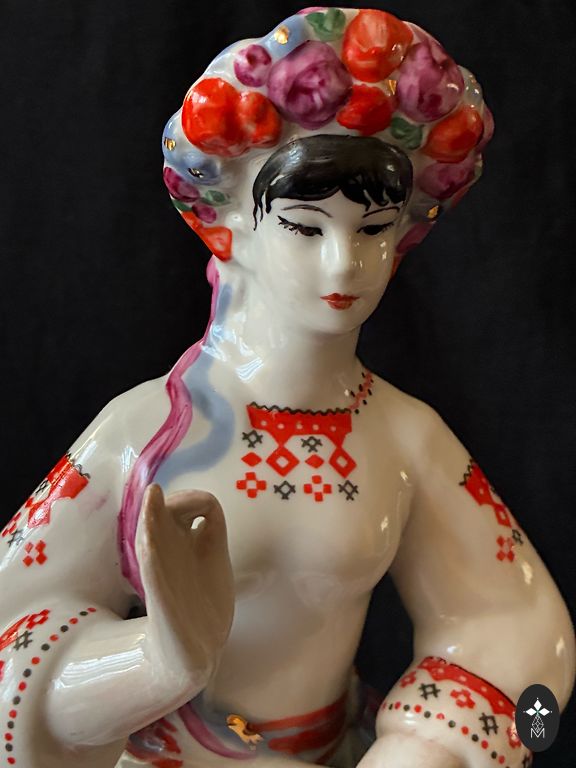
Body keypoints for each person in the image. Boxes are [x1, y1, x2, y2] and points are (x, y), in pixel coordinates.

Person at [0, 8, 573, 768]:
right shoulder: (138, 434)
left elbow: (520, 625)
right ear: (230, 225)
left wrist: (430, 750)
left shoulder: (406, 438)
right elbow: (12, 626)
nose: (344, 264)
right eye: (306, 227)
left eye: (373, 229)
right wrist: (158, 662)